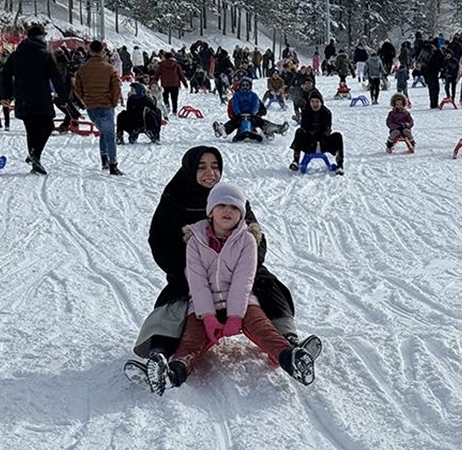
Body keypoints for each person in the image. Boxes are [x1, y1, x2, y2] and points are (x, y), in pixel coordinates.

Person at [131, 147, 304, 381]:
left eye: (215, 167)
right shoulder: (174, 199)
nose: (209, 173)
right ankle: (160, 354)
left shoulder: (230, 197)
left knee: (269, 291)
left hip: (239, 269)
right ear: (189, 169)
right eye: (201, 167)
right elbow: (159, 241)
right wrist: (186, 273)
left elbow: (256, 238)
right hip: (191, 272)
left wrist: (248, 265)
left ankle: (289, 342)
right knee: (173, 308)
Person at [0, 24, 69, 175]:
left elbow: (5, 74)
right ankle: (35, 155)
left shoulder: (15, 55)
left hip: (23, 97)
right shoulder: (45, 55)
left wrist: (6, 95)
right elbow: (56, 77)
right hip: (41, 96)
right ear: (41, 37)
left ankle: (35, 160)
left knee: (31, 129)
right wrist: (63, 97)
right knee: (48, 125)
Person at [72, 40, 124, 175]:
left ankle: (104, 159)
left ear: (89, 51)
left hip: (91, 106)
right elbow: (117, 87)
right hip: (106, 105)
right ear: (103, 51)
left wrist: (85, 100)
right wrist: (113, 102)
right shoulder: (110, 69)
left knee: (103, 131)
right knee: (110, 134)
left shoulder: (82, 69)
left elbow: (77, 88)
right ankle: (113, 164)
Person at [290, 91, 344, 174]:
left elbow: (327, 128)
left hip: (323, 142)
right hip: (309, 142)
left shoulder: (327, 112)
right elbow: (304, 127)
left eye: (317, 102)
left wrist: (321, 137)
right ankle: (296, 161)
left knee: (338, 136)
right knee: (299, 132)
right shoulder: (306, 112)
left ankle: (340, 165)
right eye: (312, 101)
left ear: (321, 102)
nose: (314, 104)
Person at [214, 77, 281, 142]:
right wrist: (237, 113)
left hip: (251, 115)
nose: (245, 87)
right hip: (240, 115)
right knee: (233, 123)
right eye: (243, 85)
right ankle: (223, 130)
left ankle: (271, 130)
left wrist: (253, 113)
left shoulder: (253, 95)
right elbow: (235, 104)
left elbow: (255, 105)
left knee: (260, 121)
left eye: (247, 85)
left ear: (250, 86)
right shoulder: (237, 95)